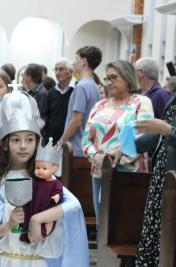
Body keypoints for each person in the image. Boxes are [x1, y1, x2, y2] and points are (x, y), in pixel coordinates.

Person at [0, 89, 89, 267]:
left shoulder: (43, 177)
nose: (23, 146)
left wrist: (37, 219)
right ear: (5, 144)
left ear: (37, 142)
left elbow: (73, 207)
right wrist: (9, 225)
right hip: (6, 260)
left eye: (29, 139)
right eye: (16, 140)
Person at [82, 60, 154, 228]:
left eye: (114, 77)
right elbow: (86, 139)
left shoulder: (140, 102)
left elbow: (144, 135)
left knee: (125, 226)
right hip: (100, 171)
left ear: (128, 77)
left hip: (130, 172)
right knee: (103, 225)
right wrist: (97, 156)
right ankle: (100, 254)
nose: (109, 82)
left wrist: (118, 157)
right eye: (107, 78)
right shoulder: (99, 105)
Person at [127, 96, 176, 266]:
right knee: (155, 235)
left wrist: (169, 130)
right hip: (163, 176)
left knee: (168, 240)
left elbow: (167, 130)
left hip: (173, 177)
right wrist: (131, 146)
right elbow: (160, 136)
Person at [58, 45, 102, 156]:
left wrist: (61, 142)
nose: (73, 63)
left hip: (76, 148)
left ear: (83, 62)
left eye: (76, 59)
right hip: (88, 147)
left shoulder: (81, 86)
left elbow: (76, 121)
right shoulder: (94, 85)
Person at [20, 137, 63, 243]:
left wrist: (57, 196)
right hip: (33, 205)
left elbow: (59, 191)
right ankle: (26, 233)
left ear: (54, 169)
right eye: (38, 167)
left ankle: (44, 233)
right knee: (26, 216)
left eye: (44, 168)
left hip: (46, 206)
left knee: (49, 221)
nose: (40, 171)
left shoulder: (55, 183)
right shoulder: (35, 181)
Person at [41, 58, 75, 145]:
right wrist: (42, 122)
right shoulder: (51, 92)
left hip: (70, 142)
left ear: (70, 72)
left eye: (61, 69)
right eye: (55, 69)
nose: (57, 73)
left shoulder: (76, 90)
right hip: (50, 140)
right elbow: (46, 115)